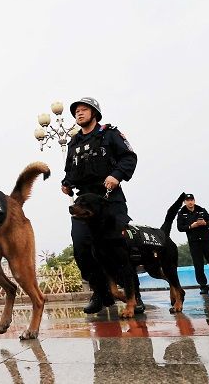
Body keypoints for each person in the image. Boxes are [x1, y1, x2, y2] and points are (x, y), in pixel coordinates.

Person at [60, 97, 139, 314]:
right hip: (84, 202)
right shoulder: (74, 142)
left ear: (94, 113)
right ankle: (101, 293)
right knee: (82, 248)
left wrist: (117, 175)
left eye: (84, 110)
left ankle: (134, 295)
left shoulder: (109, 133)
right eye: (76, 111)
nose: (79, 114)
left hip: (109, 199)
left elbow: (129, 158)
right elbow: (69, 171)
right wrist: (66, 183)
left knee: (120, 249)